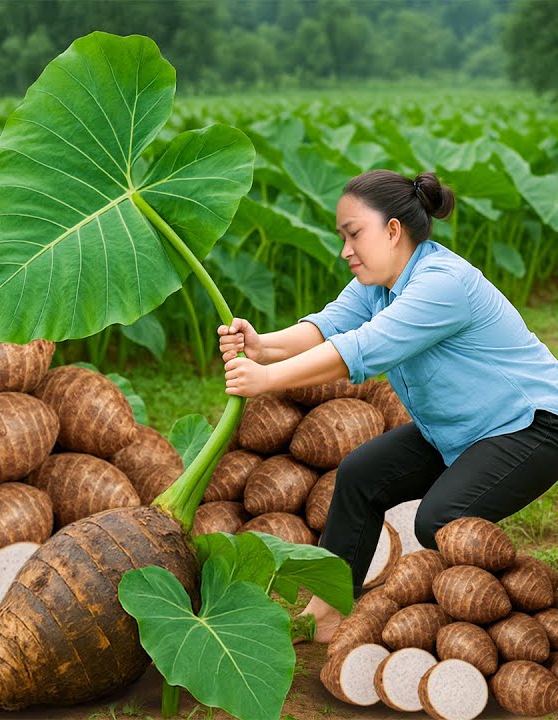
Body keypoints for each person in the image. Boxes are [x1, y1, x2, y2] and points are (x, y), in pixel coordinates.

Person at [217, 169, 558, 642]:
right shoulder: (376, 284)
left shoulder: (442, 285)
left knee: (439, 520)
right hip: (461, 430)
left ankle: (505, 617)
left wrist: (269, 378)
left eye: (354, 234)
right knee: (361, 475)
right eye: (343, 237)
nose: (345, 250)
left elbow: (361, 350)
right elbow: (328, 325)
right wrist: (263, 345)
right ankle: (327, 612)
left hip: (532, 428)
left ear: (393, 230)